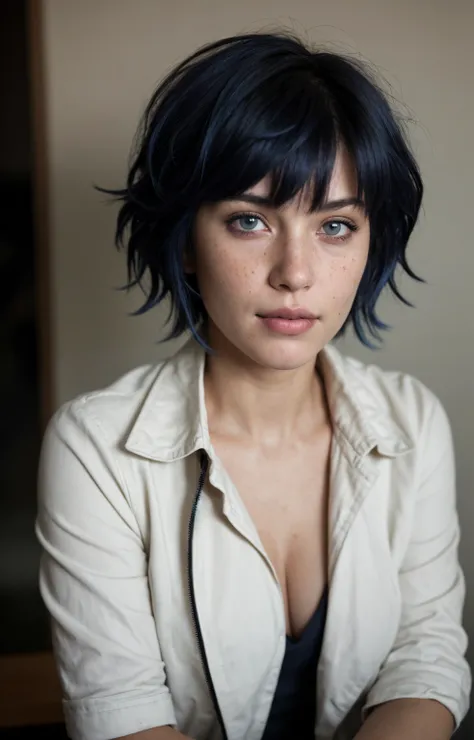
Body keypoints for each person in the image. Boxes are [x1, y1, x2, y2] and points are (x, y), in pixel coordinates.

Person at [36, 32, 470, 740]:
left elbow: (425, 661)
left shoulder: (411, 420)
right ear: (184, 237)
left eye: (335, 225)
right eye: (249, 220)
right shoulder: (95, 448)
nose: (294, 272)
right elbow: (119, 713)